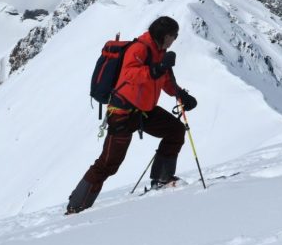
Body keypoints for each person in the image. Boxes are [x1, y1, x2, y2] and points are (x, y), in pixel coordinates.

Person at [66, 16, 197, 214]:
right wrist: (157, 69)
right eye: (174, 35)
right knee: (108, 164)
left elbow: (164, 80)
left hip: (144, 111)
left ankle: (162, 180)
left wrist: (181, 95)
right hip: (123, 113)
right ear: (165, 35)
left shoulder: (160, 53)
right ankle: (76, 205)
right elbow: (130, 74)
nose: (175, 39)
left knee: (175, 130)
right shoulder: (140, 49)